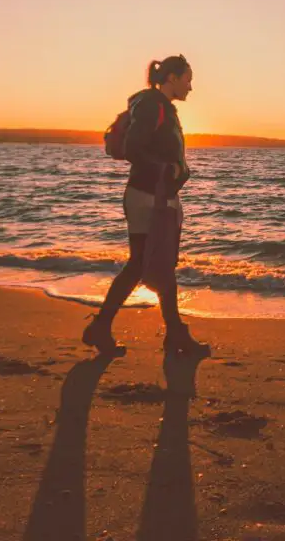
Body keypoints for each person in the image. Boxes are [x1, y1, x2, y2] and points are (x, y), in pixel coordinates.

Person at [83, 55, 209, 356]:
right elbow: (133, 149)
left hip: (157, 195)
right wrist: (165, 172)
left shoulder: (163, 107)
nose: (191, 86)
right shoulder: (152, 105)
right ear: (173, 78)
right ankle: (171, 334)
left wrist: (177, 172)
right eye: (188, 79)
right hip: (147, 197)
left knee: (149, 264)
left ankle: (108, 328)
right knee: (148, 263)